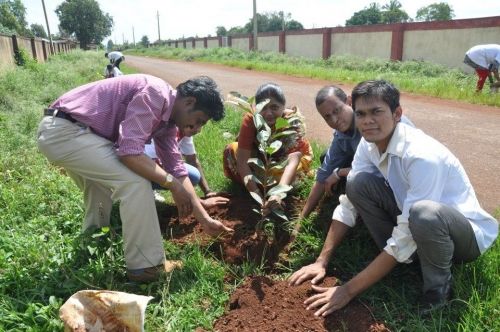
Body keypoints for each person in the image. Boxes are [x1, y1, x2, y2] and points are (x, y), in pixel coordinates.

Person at [289, 80, 498, 315]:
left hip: (462, 238)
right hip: (415, 225)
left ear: (397, 113)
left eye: (376, 112)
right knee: (356, 183)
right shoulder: (369, 145)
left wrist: (346, 290)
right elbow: (348, 206)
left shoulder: (421, 155)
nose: (367, 121)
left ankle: (438, 289)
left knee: (424, 214)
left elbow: (408, 231)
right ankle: (405, 260)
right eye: (361, 114)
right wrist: (321, 261)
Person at [37, 74, 233, 282]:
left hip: (74, 133)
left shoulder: (167, 123)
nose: (198, 128)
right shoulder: (156, 93)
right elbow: (130, 153)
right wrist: (171, 185)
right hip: (67, 133)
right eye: (199, 120)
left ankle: (95, 237)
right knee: (136, 183)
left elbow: (176, 168)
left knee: (99, 187)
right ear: (189, 102)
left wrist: (204, 219)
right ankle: (145, 267)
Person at [300, 85, 413, 219]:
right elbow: (322, 176)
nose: (334, 120)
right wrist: (300, 221)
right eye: (328, 117)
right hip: (372, 171)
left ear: (349, 102)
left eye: (337, 111)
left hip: (403, 184)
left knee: (354, 179)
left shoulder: (377, 128)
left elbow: (380, 170)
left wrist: (340, 172)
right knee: (326, 157)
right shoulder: (342, 136)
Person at [223, 83, 313, 214]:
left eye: (274, 107)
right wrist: (258, 196)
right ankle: (261, 187)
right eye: (263, 107)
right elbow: (242, 162)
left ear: (283, 107)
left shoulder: (291, 121)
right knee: (231, 151)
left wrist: (278, 194)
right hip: (260, 157)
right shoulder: (251, 120)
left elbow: (292, 161)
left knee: (287, 176)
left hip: (287, 162)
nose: (268, 113)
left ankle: (274, 190)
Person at [145, 135, 229, 208]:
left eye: (202, 124)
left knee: (193, 175)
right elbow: (164, 172)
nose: (198, 129)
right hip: (143, 167)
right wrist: (198, 202)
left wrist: (207, 192)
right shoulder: (163, 132)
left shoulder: (185, 130)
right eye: (195, 123)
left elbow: (189, 162)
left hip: (161, 168)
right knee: (172, 180)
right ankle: (146, 190)